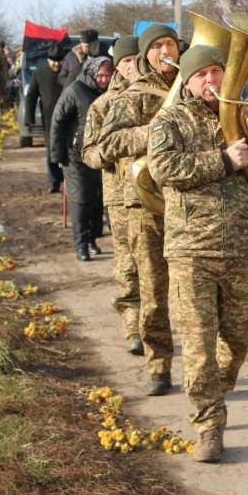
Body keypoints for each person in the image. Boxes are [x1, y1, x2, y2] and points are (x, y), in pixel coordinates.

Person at [148, 44, 248, 464]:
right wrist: (224, 161)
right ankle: (209, 425)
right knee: (198, 346)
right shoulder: (170, 120)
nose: (211, 81)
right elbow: (164, 169)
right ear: (188, 82)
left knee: (243, 332)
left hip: (242, 247)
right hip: (191, 251)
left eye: (216, 72)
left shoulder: (246, 114)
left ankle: (217, 383)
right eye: (201, 74)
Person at [96, 23, 180, 397]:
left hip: (192, 202)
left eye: (172, 45)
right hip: (143, 203)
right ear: (146, 54)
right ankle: (159, 366)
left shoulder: (193, 86)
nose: (166, 52)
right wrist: (157, 131)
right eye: (158, 46)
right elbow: (109, 142)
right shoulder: (132, 96)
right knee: (152, 290)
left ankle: (204, 366)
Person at [82, 35, 143, 353]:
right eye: (127, 61)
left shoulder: (163, 96)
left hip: (160, 195)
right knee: (128, 262)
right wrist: (115, 148)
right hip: (120, 196)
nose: (133, 65)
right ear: (118, 66)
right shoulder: (103, 105)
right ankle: (133, 324)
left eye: (137, 59)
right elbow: (89, 153)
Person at [50, 56, 112, 260]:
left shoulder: (110, 92)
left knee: (97, 198)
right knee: (81, 199)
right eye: (100, 75)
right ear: (91, 73)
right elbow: (57, 122)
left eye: (107, 75)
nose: (103, 79)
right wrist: (57, 155)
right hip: (75, 155)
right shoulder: (75, 91)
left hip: (101, 154)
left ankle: (92, 239)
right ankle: (81, 245)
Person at [24, 45, 67, 193]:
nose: (57, 64)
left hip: (69, 117)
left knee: (68, 150)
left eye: (59, 61)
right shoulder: (39, 73)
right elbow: (31, 97)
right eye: (53, 61)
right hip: (49, 119)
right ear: (47, 60)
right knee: (51, 151)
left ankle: (68, 179)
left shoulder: (68, 73)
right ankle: (54, 181)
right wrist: (29, 118)